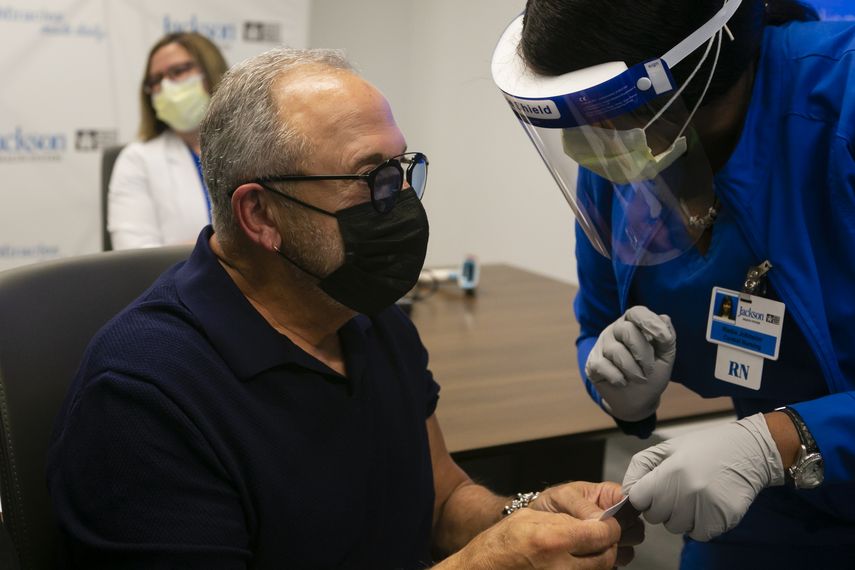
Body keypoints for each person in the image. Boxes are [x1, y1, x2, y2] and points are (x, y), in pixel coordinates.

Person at [48, 47, 642, 569]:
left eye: (404, 170)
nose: (403, 200)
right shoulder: (143, 398)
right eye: (371, 179)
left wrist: (523, 517)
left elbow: (441, 497)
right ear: (260, 215)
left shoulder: (363, 314)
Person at [492, 0, 855, 567]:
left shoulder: (842, 105)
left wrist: (780, 441)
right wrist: (620, 388)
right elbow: (598, 324)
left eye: (606, 113)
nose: (591, 142)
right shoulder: (627, 152)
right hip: (781, 505)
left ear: (700, 63)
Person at [107, 32, 228, 250]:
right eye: (155, 81)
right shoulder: (137, 159)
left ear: (211, 71)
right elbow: (134, 257)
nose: (165, 87)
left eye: (178, 71)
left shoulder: (257, 146)